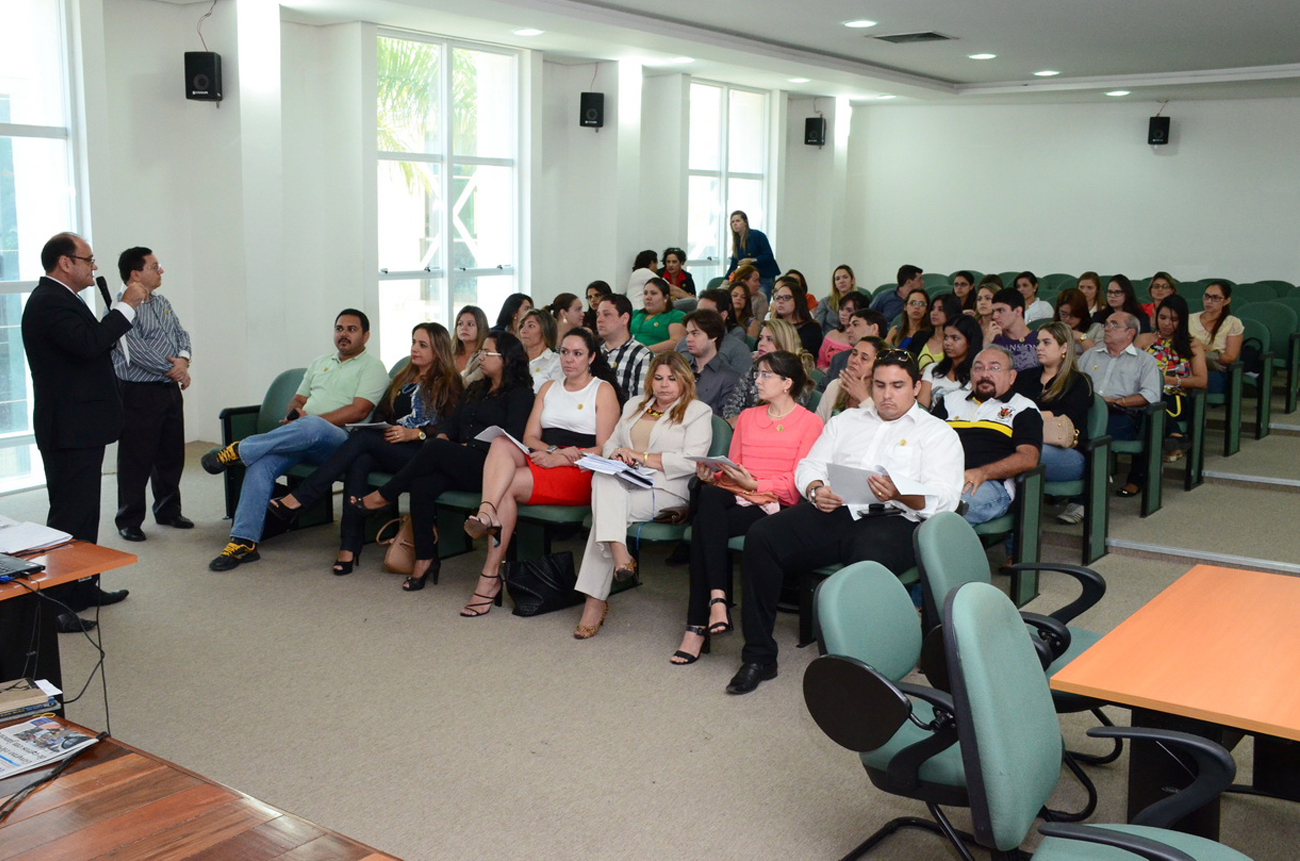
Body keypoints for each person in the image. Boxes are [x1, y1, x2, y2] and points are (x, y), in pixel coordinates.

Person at [727, 350, 964, 694]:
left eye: (897, 386)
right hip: (836, 508)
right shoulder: (846, 421)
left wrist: (899, 493)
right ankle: (759, 657)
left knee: (866, 557)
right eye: (879, 385)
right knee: (763, 535)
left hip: (897, 520)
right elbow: (810, 465)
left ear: (916, 388)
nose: (887, 394)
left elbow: (946, 499)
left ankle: (867, 667)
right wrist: (815, 489)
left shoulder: (937, 433)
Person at [202, 309, 390, 571]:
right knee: (261, 463)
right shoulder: (320, 362)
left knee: (313, 424)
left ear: (366, 336)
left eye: (351, 329)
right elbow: (299, 399)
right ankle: (244, 542)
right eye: (339, 328)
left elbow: (359, 410)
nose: (344, 334)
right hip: (304, 436)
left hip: (341, 443)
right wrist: (294, 414)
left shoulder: (373, 367)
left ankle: (239, 449)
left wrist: (310, 420)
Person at [21, 233, 145, 633]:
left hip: (83, 425)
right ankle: (56, 605)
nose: (95, 266)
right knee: (68, 517)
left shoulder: (65, 299)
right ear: (65, 263)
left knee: (86, 512)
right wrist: (126, 306)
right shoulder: (48, 302)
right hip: (68, 428)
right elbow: (90, 344)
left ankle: (83, 587)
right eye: (88, 260)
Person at [269, 323, 463, 574]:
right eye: (414, 342)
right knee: (360, 460)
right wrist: (386, 428)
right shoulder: (403, 377)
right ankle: (349, 548)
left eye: (422, 345)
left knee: (361, 439)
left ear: (438, 350)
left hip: (424, 454)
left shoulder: (450, 383)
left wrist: (416, 433)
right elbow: (382, 413)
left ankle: (301, 498)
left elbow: (452, 427)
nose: (414, 349)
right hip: (393, 448)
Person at [351, 333, 535, 591]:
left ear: (505, 359)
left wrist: (460, 446)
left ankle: (385, 495)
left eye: (487, 353)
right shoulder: (476, 388)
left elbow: (512, 438)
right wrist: (446, 436)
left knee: (434, 448)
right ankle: (424, 559)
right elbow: (451, 422)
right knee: (422, 484)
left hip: (490, 468)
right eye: (480, 352)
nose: (481, 357)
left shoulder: (521, 395)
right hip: (459, 458)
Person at [459, 328, 622, 616]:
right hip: (546, 455)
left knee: (506, 486)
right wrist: (551, 452)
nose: (569, 359)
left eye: (577, 354)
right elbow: (530, 437)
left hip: (580, 468)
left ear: (591, 357)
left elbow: (605, 449)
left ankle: (489, 575)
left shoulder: (602, 390)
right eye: (564, 352)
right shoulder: (548, 387)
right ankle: (487, 513)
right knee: (500, 443)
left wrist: (562, 458)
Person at [674, 351, 822, 665]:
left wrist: (756, 485)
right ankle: (717, 598)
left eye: (766, 375)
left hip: (773, 502)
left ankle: (698, 623)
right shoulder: (748, 417)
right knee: (709, 496)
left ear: (787, 383)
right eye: (758, 374)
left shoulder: (810, 423)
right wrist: (713, 474)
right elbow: (732, 466)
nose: (757, 381)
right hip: (736, 491)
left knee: (703, 526)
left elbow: (797, 482)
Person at [572, 352, 713, 639]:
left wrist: (641, 456)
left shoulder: (698, 411)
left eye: (672, 378)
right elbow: (611, 443)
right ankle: (620, 556)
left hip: (666, 488)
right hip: (625, 480)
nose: (664, 385)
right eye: (658, 378)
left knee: (606, 515)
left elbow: (692, 462)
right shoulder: (635, 405)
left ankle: (595, 601)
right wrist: (617, 454)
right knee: (603, 477)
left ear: (685, 380)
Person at [111, 246, 194, 543]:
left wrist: (183, 360)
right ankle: (129, 520)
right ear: (135, 274)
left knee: (171, 453)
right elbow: (135, 351)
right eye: (154, 266)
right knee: (136, 458)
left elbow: (181, 334)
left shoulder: (162, 302)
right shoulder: (120, 308)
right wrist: (175, 370)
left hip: (168, 389)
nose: (161, 271)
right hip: (138, 391)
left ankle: (168, 510)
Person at [932, 347, 1043, 526]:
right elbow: (926, 439)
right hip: (940, 477)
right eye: (978, 368)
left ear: (1012, 376)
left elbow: (1028, 458)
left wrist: (982, 473)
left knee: (946, 511)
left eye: (995, 368)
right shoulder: (950, 401)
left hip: (989, 483)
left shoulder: (1023, 408)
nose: (985, 374)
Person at [1014, 322, 1094, 525]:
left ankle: (1019, 519)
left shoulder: (1079, 381)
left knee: (1023, 452)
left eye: (1046, 342)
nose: (1039, 347)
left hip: (1069, 453)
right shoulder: (1025, 377)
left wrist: (1027, 417)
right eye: (1038, 342)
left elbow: (1067, 415)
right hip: (1028, 442)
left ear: (1064, 347)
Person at [1079, 312, 1161, 498]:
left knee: (1091, 433)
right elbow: (1075, 383)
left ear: (1130, 332)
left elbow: (1151, 394)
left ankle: (1091, 486)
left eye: (1114, 325)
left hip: (1122, 413)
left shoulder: (1144, 360)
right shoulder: (1090, 355)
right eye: (1106, 324)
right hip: (1087, 409)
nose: (1107, 328)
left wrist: (1117, 401)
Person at [1136, 294, 1208, 462]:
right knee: (1144, 403)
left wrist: (1171, 381)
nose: (1167, 323)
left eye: (1174, 319)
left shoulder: (1192, 344)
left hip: (1174, 396)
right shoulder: (1144, 339)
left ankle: (1173, 439)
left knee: (1151, 407)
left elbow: (1201, 380)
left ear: (1182, 320)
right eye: (1162, 318)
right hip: (1143, 393)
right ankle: (1176, 436)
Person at [722, 319, 816, 424]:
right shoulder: (755, 369)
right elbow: (731, 406)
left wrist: (744, 420)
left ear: (784, 343)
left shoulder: (797, 377)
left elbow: (784, 418)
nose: (761, 344)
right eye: (761, 338)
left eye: (769, 339)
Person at [674, 287, 752, 374]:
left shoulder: (738, 350)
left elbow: (743, 381)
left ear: (723, 315)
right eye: (698, 312)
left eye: (706, 313)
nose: (699, 318)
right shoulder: (684, 342)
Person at [680, 308, 740, 413]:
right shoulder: (680, 370)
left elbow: (728, 419)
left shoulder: (729, 378)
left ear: (713, 336)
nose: (688, 339)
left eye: (695, 333)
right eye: (687, 333)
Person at [1189, 281, 1243, 394]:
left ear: (1226, 301)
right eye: (1206, 296)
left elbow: (1229, 358)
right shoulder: (1189, 319)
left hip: (1213, 369)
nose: (1209, 301)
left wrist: (1204, 349)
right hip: (1186, 366)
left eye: (1215, 298)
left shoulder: (1232, 323)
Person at [918, 314, 982, 409]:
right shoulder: (932, 369)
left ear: (969, 342)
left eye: (955, 338)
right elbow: (922, 408)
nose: (947, 343)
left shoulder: (978, 374)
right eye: (946, 337)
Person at [596, 293, 651, 399]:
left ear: (624, 318)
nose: (599, 319)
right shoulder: (592, 351)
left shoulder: (642, 355)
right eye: (598, 315)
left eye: (606, 314)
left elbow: (641, 401)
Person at [817, 336, 884, 422]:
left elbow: (880, 426)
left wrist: (864, 399)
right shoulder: (835, 385)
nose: (854, 360)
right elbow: (818, 424)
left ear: (878, 366)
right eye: (854, 354)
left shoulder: (883, 397)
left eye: (864, 358)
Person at [821, 308, 888, 390]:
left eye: (855, 325)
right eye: (854, 354)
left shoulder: (890, 360)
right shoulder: (839, 358)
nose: (848, 330)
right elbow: (822, 389)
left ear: (874, 328)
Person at [723, 211, 779, 298]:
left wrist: (752, 260)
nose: (735, 224)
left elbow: (768, 256)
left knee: (761, 300)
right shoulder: (737, 241)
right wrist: (726, 280)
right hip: (749, 279)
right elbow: (734, 264)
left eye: (738, 221)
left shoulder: (758, 235)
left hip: (764, 276)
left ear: (745, 222)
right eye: (732, 222)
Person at [986, 287, 1040, 371]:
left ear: (1018, 311)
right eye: (993, 311)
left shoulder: (1039, 339)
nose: (994, 316)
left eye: (1001, 310)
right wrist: (986, 343)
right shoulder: (994, 340)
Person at [629, 277, 685, 353]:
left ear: (666, 297)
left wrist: (643, 351)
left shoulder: (675, 315)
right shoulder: (635, 314)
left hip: (656, 357)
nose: (648, 297)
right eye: (645, 293)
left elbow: (676, 342)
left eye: (653, 293)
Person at [769, 277, 823, 356]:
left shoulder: (811, 329)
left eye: (786, 298)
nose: (780, 301)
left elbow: (801, 356)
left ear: (798, 300)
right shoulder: (773, 325)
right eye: (778, 298)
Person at [816, 291, 866, 369]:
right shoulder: (830, 335)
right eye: (841, 309)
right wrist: (827, 371)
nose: (843, 313)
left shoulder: (864, 340)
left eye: (849, 310)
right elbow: (820, 363)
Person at [914, 293, 963, 371]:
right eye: (933, 309)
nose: (934, 313)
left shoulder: (957, 343)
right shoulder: (919, 337)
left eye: (941, 309)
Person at [518, 309, 562, 392]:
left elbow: (558, 394)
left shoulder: (556, 362)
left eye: (531, 326)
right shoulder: (515, 359)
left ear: (545, 330)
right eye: (522, 326)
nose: (523, 330)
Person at [813, 264, 862, 334]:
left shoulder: (861, 301)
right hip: (830, 338)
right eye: (837, 279)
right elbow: (817, 327)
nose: (841, 281)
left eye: (845, 277)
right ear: (835, 284)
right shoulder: (825, 302)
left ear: (853, 280)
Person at [1054, 288, 1103, 352]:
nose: (1067, 318)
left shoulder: (1096, 329)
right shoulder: (1052, 330)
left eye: (1073, 314)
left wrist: (1081, 337)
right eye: (1063, 314)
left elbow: (1098, 356)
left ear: (1081, 312)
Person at [453, 305, 489, 377]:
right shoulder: (450, 353)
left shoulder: (484, 357)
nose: (463, 328)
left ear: (481, 328)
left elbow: (467, 382)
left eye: (470, 324)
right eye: (460, 324)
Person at [732, 264, 768, 334]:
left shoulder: (761, 298)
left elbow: (760, 324)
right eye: (755, 281)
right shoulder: (727, 293)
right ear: (743, 282)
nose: (759, 284)